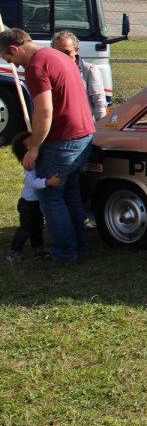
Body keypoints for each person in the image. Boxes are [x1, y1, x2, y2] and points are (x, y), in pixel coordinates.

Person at [0, 28, 95, 265]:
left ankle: (64, 253)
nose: (15, 66)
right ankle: (79, 246)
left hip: (61, 140)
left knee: (51, 197)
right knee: (70, 193)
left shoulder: (36, 67)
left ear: (14, 49)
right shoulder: (59, 56)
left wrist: (34, 147)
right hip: (83, 135)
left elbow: (44, 110)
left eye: (9, 60)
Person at [7, 131, 61, 263]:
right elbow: (32, 182)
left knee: (37, 227)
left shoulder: (40, 161)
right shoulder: (29, 165)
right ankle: (14, 250)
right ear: (24, 153)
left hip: (36, 203)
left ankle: (38, 248)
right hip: (28, 204)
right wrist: (48, 182)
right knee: (25, 229)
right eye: (30, 145)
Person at [51, 30, 107, 120]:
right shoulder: (50, 71)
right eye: (58, 53)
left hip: (84, 126)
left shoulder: (89, 71)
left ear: (76, 50)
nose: (62, 56)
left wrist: (100, 127)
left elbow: (99, 102)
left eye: (67, 52)